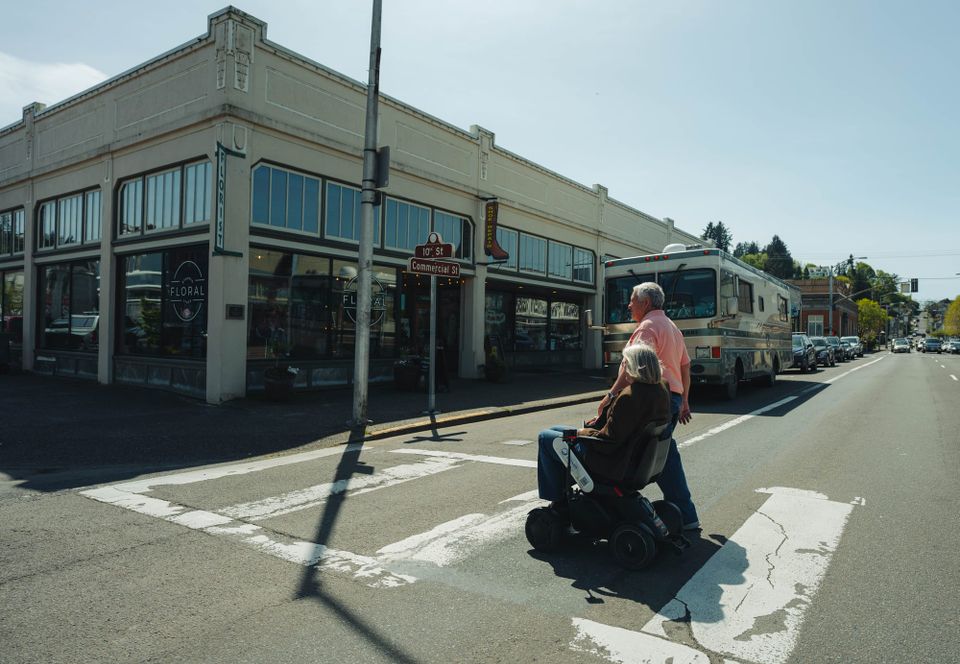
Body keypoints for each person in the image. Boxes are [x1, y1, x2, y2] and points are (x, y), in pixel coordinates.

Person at [595, 281, 701, 530]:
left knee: (641, 453)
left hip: (653, 400)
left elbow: (632, 369)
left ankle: (626, 507)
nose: (629, 304)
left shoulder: (648, 327)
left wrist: (610, 396)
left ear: (646, 303)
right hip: (672, 397)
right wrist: (684, 399)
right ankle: (686, 514)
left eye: (632, 300)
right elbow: (685, 366)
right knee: (663, 453)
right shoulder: (672, 327)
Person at [536, 343, 671, 506]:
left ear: (635, 367)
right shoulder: (661, 389)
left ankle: (556, 500)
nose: (623, 368)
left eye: (625, 363)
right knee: (556, 430)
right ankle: (562, 491)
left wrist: (581, 432)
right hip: (634, 456)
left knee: (545, 437)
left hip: (613, 461)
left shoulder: (630, 396)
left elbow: (608, 442)